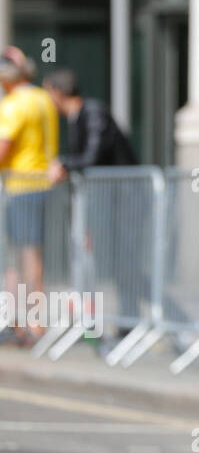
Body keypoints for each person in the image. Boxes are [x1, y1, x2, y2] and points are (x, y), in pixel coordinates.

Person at [42, 69, 143, 336]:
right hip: (105, 203)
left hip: (125, 200)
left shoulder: (93, 113)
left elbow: (92, 157)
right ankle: (90, 326)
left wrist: (64, 163)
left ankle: (130, 322)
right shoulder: (77, 118)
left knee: (125, 263)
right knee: (99, 263)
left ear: (57, 93)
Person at [0, 48, 60, 346]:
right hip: (43, 187)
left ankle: (29, 325)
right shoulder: (42, 98)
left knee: (24, 258)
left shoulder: (14, 104)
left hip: (21, 186)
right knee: (32, 258)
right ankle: (22, 323)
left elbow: (3, 146)